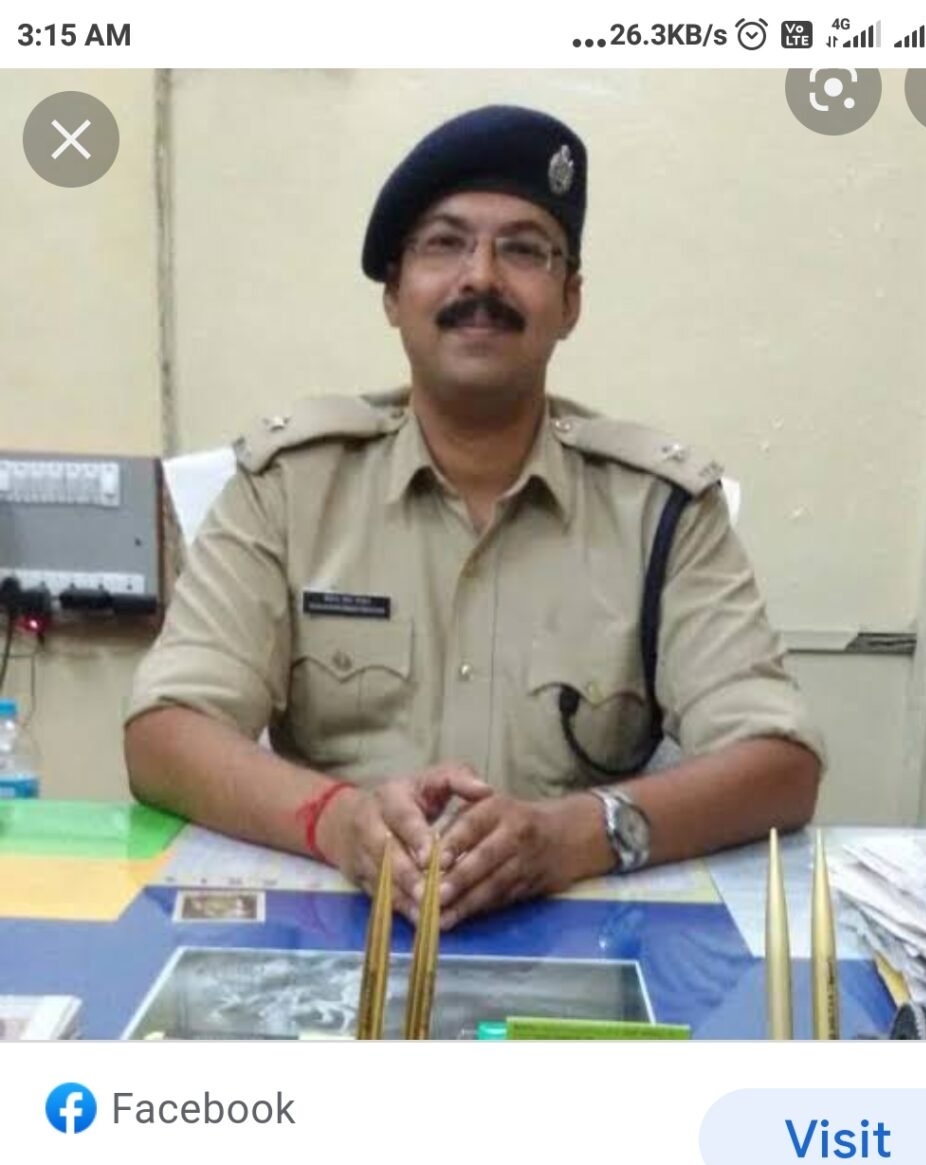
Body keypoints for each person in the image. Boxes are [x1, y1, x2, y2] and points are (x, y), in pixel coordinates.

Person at [125, 104, 823, 928]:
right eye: (444, 244)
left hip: (579, 942)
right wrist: (336, 821)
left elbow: (781, 764)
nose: (481, 279)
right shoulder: (290, 487)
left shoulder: (659, 510)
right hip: (341, 933)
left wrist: (580, 833)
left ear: (570, 301)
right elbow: (164, 736)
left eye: (523, 249)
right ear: (394, 294)